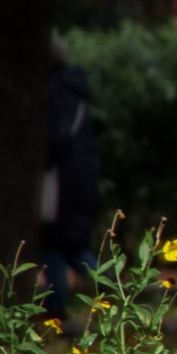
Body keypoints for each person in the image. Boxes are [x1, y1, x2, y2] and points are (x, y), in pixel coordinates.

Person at [39, 40, 101, 320]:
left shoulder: (55, 92)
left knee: (52, 243)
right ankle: (120, 296)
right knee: (73, 247)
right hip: (80, 179)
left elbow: (56, 140)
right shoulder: (75, 90)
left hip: (61, 182)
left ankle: (55, 310)